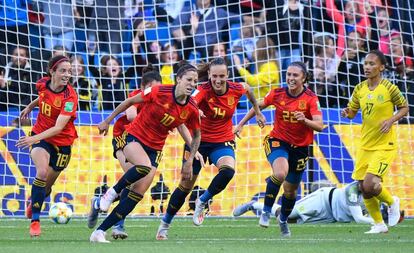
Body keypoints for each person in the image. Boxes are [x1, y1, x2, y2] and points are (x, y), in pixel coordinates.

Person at [89, 63, 202, 243]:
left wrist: (191, 157)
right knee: (143, 167)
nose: (192, 84)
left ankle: (100, 231)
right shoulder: (159, 91)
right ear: (178, 79)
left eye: (195, 81)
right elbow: (130, 103)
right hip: (134, 136)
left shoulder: (191, 108)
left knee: (136, 195)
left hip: (155, 148)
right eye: (189, 79)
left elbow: (195, 134)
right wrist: (107, 120)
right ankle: (110, 193)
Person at [155, 57, 266, 240]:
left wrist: (258, 111)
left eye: (222, 76)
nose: (218, 80)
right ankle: (164, 225)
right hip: (198, 141)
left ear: (228, 75)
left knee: (228, 170)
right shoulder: (202, 91)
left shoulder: (236, 89)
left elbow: (248, 89)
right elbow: (188, 104)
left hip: (222, 140)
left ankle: (203, 200)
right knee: (185, 186)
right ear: (208, 75)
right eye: (214, 76)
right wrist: (194, 110)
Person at [234, 61, 324, 237]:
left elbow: (320, 125)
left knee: (290, 191)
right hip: (277, 141)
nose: (290, 78)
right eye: (288, 74)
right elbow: (258, 105)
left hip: (300, 148)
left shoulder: (311, 98)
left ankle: (283, 220)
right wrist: (240, 124)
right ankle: (266, 212)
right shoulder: (277, 93)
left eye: (295, 75)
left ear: (304, 78)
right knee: (280, 173)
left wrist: (304, 120)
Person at [87, 66, 162, 239]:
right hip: (125, 137)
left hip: (149, 142)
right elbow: (130, 116)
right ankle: (118, 225)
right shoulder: (137, 96)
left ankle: (99, 202)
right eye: (152, 88)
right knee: (132, 174)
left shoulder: (162, 99)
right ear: (143, 87)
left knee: (138, 188)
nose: (156, 91)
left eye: (158, 88)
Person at [341, 50, 408, 234]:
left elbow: (404, 108)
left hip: (385, 144)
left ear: (381, 67)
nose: (367, 67)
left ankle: (392, 202)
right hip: (366, 144)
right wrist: (347, 113)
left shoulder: (389, 88)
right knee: (363, 187)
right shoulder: (359, 89)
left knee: (370, 184)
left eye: (372, 64)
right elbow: (353, 112)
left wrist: (391, 120)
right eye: (366, 63)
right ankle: (379, 224)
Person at [15, 55, 78, 237]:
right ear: (52, 72)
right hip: (41, 137)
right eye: (63, 71)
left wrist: (32, 139)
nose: (67, 74)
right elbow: (43, 97)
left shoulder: (70, 97)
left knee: (46, 187)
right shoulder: (42, 83)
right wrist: (30, 107)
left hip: (63, 143)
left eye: (69, 71)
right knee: (41, 173)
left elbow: (58, 128)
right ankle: (35, 220)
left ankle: (34, 203)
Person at [233, 181, 377, 224]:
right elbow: (359, 218)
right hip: (323, 201)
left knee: (290, 222)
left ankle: (256, 205)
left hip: (331, 217)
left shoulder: (374, 194)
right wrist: (378, 223)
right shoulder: (353, 191)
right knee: (288, 215)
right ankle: (254, 205)